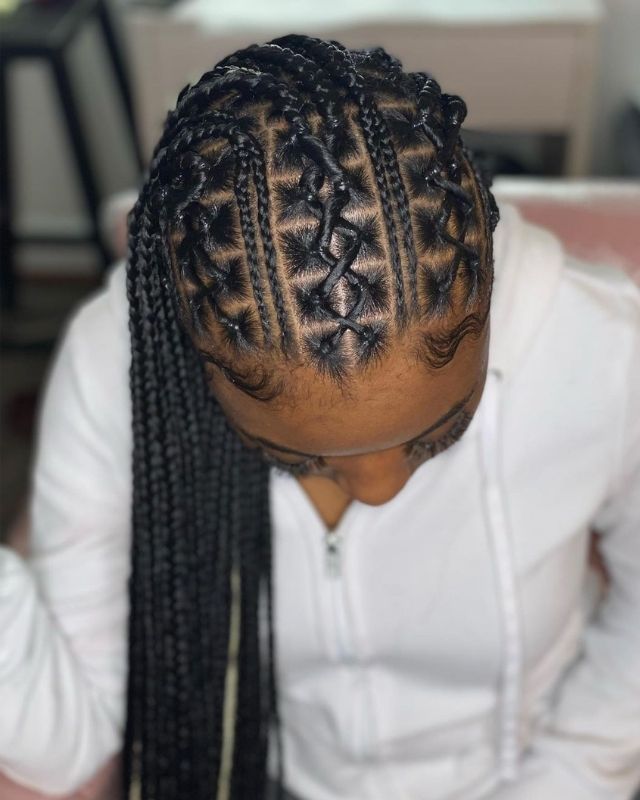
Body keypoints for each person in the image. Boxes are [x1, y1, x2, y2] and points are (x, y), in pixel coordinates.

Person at [1, 33, 639, 800]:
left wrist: (566, 781)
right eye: (297, 458)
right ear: (202, 366)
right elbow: (72, 747)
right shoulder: (117, 364)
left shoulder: (609, 352)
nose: (377, 492)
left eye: (437, 433)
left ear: (488, 300)